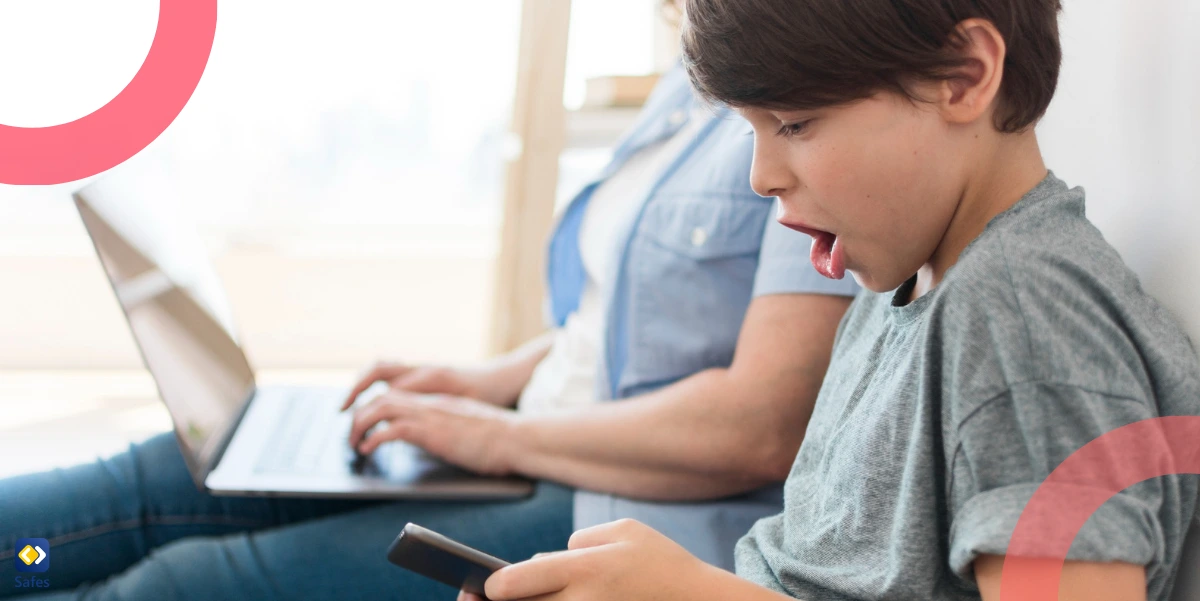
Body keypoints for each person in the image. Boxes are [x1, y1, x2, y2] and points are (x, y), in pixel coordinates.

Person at [0, 2, 859, 599]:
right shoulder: (694, 69)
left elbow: (761, 426)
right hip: (541, 441)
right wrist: (478, 383)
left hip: (622, 500)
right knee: (159, 477)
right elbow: (612, 323)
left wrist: (497, 434)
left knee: (175, 583)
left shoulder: (797, 100)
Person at [462, 1, 1200, 600]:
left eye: (793, 124)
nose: (761, 176)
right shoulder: (909, 283)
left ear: (964, 75)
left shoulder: (1025, 318)